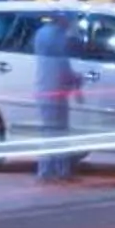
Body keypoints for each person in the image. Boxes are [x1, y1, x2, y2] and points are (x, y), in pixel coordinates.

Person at [29, 13, 79, 181]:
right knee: (57, 132)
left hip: (46, 87)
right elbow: (62, 64)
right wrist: (76, 80)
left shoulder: (42, 33)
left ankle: (51, 171)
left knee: (51, 131)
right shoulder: (56, 36)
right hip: (54, 90)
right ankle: (54, 171)